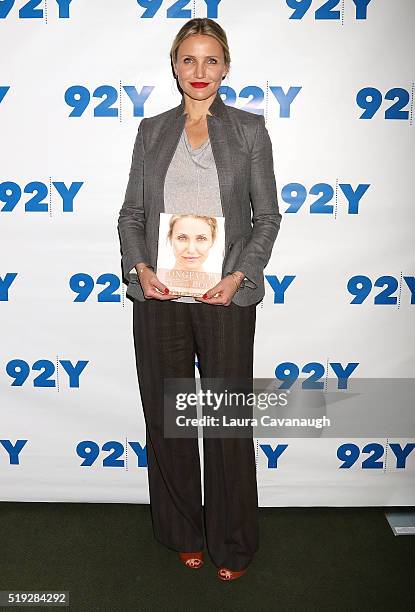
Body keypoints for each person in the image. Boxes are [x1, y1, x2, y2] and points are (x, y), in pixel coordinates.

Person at [117, 17, 282, 581]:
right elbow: (132, 214)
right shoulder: (152, 131)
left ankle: (233, 542)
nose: (200, 72)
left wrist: (237, 277)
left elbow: (267, 218)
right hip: (159, 297)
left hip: (224, 298)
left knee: (228, 424)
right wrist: (140, 266)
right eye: (189, 60)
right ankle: (182, 531)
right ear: (174, 66)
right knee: (170, 422)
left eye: (211, 60)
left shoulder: (248, 131)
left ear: (226, 66)